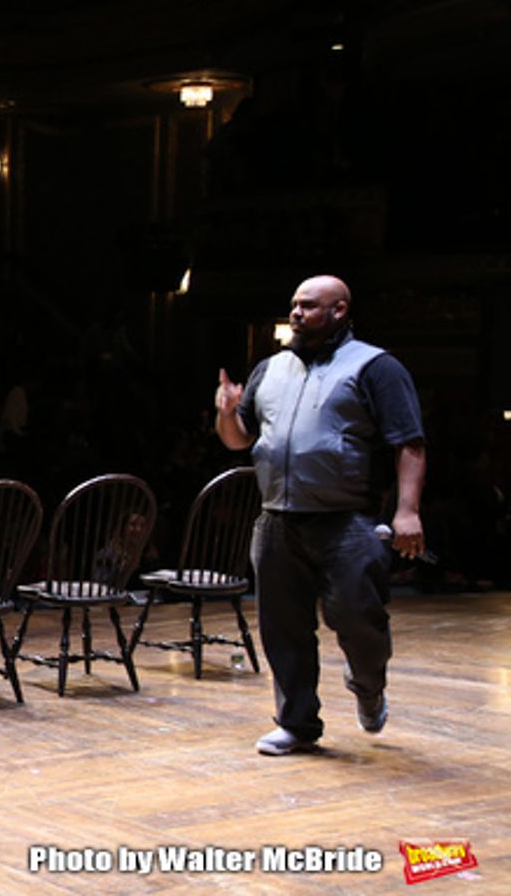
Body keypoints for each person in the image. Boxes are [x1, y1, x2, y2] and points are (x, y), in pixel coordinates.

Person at [215, 276, 425, 755]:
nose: (296, 313)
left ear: (339, 311)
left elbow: (408, 442)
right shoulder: (271, 369)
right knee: (282, 627)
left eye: (308, 306)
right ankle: (297, 723)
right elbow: (238, 439)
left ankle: (368, 684)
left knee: (360, 621)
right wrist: (227, 413)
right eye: (293, 305)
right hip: (277, 520)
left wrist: (407, 511)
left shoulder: (375, 367)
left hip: (347, 520)